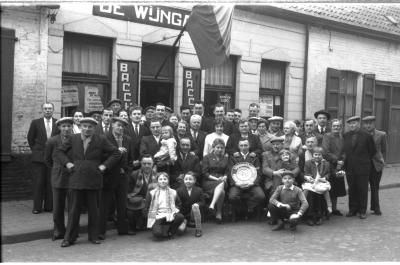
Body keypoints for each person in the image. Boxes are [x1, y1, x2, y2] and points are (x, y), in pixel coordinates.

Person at [55, 117, 121, 247]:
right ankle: (69, 238)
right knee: (73, 210)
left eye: (90, 126)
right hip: (76, 178)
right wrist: (67, 163)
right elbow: (59, 152)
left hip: (94, 179)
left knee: (94, 210)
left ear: (94, 128)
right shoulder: (73, 138)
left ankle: (94, 236)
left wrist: (104, 166)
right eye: (84, 126)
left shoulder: (100, 139)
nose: (87, 129)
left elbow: (116, 153)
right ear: (80, 127)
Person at [98, 117, 134, 240]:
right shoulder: (104, 138)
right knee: (105, 205)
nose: (120, 128)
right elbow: (100, 156)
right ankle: (100, 231)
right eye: (118, 125)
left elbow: (131, 158)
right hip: (109, 175)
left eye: (123, 126)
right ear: (112, 125)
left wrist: (127, 170)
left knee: (122, 204)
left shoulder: (128, 139)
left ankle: (122, 229)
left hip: (123, 176)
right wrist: (116, 151)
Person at [44, 117, 73, 241]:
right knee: (57, 207)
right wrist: (57, 168)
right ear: (59, 128)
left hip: (73, 176)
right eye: (63, 126)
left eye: (68, 126)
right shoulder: (52, 141)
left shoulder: (76, 139)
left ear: (72, 127)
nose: (66, 129)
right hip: (58, 177)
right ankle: (58, 230)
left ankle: (72, 231)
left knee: (73, 206)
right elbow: (47, 160)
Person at [27, 102, 59, 214]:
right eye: (45, 108)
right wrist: (36, 151)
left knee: (51, 183)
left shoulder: (57, 123)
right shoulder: (36, 123)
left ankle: (49, 206)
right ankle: (37, 207)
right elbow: (30, 138)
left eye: (50, 108)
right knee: (38, 183)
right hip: (38, 158)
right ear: (42, 110)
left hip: (53, 158)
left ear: (53, 110)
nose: (48, 110)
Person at [342, 116, 377, 219]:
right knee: (352, 189)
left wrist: (362, 160)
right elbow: (346, 151)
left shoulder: (367, 136)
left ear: (359, 123)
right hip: (350, 168)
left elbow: (372, 151)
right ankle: (352, 209)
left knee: (362, 189)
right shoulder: (346, 135)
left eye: (354, 123)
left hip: (363, 167)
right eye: (350, 124)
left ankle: (362, 211)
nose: (352, 125)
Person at [228, 138, 266, 221]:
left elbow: (259, 173)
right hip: (238, 184)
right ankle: (243, 209)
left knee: (261, 196)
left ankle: (248, 206)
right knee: (232, 197)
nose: (243, 147)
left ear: (249, 146)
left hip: (252, 184)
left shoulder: (254, 158)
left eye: (245, 145)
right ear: (238, 146)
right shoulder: (233, 158)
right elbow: (230, 172)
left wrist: (252, 183)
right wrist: (236, 183)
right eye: (241, 145)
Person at [145, 172, 184, 239]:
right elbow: (147, 207)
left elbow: (178, 204)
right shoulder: (151, 193)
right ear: (157, 181)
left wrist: (174, 211)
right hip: (157, 215)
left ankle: (171, 231)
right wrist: (152, 215)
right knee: (158, 234)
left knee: (180, 217)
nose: (163, 181)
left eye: (165, 179)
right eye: (160, 179)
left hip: (170, 213)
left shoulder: (173, 192)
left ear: (168, 180)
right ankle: (159, 228)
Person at [362, 116, 387, 216]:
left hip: (376, 165)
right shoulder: (362, 135)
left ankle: (376, 207)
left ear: (374, 123)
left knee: (375, 187)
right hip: (364, 165)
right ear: (364, 125)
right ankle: (362, 208)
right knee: (363, 187)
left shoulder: (382, 134)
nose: (368, 125)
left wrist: (381, 160)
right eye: (366, 123)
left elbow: (384, 149)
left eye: (370, 123)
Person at [201, 138, 230, 223]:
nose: (220, 149)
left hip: (222, 181)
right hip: (208, 181)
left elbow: (227, 172)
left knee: (221, 184)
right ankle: (218, 212)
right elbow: (204, 173)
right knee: (222, 192)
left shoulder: (226, 158)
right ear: (213, 147)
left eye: (222, 147)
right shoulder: (207, 157)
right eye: (218, 147)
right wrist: (217, 179)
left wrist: (225, 177)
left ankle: (212, 205)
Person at [127, 154, 158, 232]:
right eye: (144, 164)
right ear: (141, 163)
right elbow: (130, 192)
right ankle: (133, 227)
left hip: (152, 201)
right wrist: (142, 199)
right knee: (129, 212)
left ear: (153, 164)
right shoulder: (134, 174)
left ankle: (150, 224)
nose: (146, 166)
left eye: (149, 164)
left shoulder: (158, 176)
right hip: (139, 200)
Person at [322, 119, 346, 216]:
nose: (336, 128)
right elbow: (325, 151)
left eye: (338, 126)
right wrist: (336, 160)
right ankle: (327, 209)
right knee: (328, 188)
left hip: (340, 166)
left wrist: (342, 161)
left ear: (341, 127)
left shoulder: (342, 137)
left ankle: (335, 209)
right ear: (331, 127)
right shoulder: (327, 136)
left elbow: (345, 150)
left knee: (337, 189)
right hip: (330, 165)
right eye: (334, 126)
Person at [303, 146, 332, 226]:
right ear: (313, 155)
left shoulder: (326, 163)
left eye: (319, 155)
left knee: (320, 192)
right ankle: (310, 216)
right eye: (315, 154)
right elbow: (306, 173)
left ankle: (319, 216)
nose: (317, 156)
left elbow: (328, 173)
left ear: (322, 155)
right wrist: (310, 178)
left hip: (321, 182)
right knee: (311, 193)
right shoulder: (308, 163)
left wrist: (324, 178)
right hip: (311, 182)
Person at [176, 172, 205, 237]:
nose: (188, 181)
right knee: (180, 231)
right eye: (186, 179)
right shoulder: (179, 190)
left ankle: (198, 229)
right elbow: (177, 203)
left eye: (190, 179)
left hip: (195, 213)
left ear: (194, 180)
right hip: (184, 214)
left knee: (195, 207)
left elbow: (203, 202)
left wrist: (197, 204)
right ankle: (185, 223)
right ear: (183, 180)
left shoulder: (199, 190)